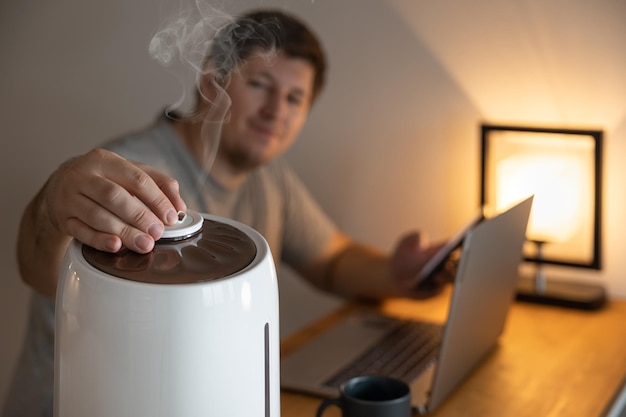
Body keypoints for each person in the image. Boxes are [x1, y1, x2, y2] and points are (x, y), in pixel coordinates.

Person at [3, 9, 448, 417]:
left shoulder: (268, 179)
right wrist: (52, 203)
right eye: (260, 85)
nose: (276, 110)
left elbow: (331, 260)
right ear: (211, 82)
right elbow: (45, 274)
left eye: (295, 98)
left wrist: (401, 273)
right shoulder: (128, 177)